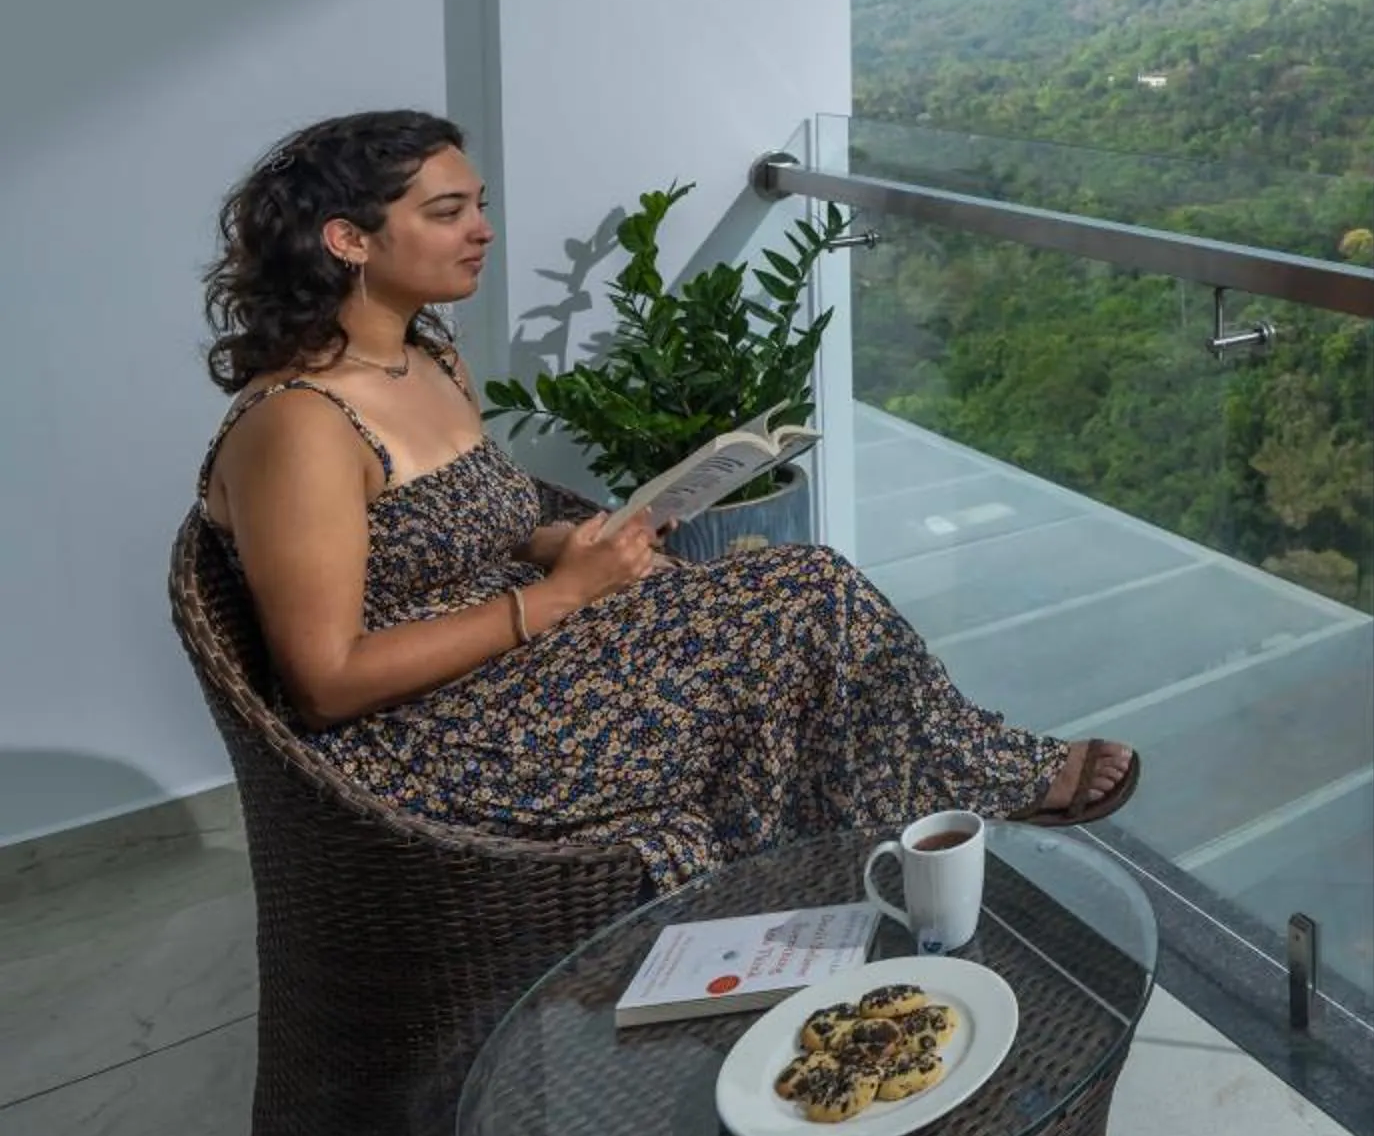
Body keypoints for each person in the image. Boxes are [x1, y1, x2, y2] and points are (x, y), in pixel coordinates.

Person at [191, 109, 1137, 890]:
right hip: (438, 737)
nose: (482, 229)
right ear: (351, 239)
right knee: (804, 606)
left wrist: (573, 540)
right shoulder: (300, 426)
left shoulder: (426, 353)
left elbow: (481, 517)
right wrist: (561, 596)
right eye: (447, 213)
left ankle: (878, 845)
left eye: (479, 205)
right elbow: (326, 684)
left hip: (519, 666)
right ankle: (961, 801)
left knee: (794, 582)